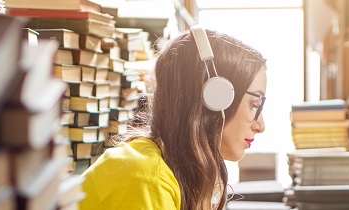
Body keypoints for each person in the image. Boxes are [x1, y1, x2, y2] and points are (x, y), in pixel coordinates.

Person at [78, 28, 267, 210]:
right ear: (216, 98)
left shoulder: (165, 167)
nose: (261, 126)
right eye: (254, 105)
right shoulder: (147, 180)